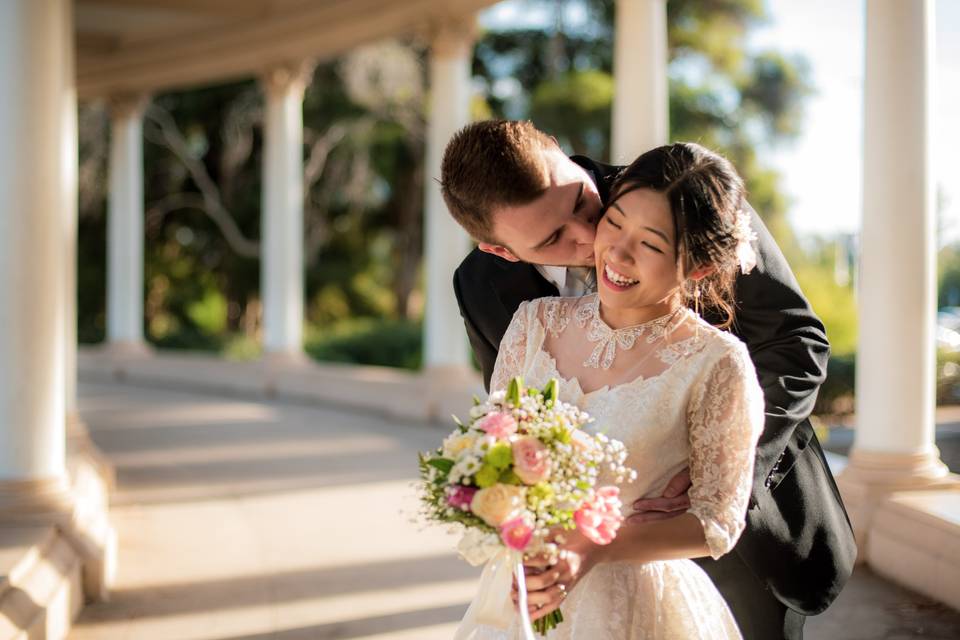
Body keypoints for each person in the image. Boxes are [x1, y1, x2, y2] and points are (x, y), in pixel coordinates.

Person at [442, 121, 856, 640]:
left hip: (735, 543)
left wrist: (718, 471)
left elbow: (795, 344)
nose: (595, 238)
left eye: (580, 202)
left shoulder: (681, 190)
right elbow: (510, 418)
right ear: (502, 251)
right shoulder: (485, 289)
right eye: (553, 238)